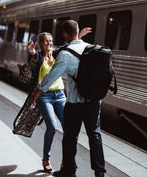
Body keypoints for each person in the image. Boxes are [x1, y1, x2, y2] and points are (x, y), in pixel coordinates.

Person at [31, 20, 106, 177]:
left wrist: (38, 91)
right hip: (94, 102)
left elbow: (52, 75)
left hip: (75, 104)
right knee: (95, 135)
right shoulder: (90, 49)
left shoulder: (66, 53)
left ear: (64, 34)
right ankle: (99, 173)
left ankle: (69, 171)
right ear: (77, 31)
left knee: (70, 137)